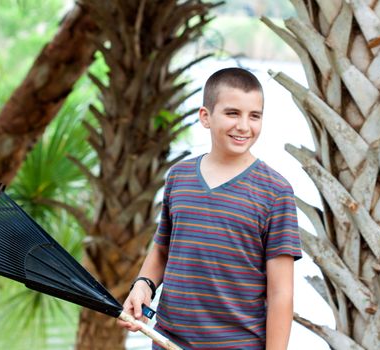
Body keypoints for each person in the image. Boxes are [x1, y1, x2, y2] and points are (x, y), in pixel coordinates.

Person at [118, 67, 302, 349]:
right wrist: (143, 285)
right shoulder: (179, 177)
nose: (244, 126)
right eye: (232, 113)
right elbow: (163, 249)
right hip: (167, 342)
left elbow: (281, 293)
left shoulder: (276, 192)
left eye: (254, 116)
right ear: (205, 117)